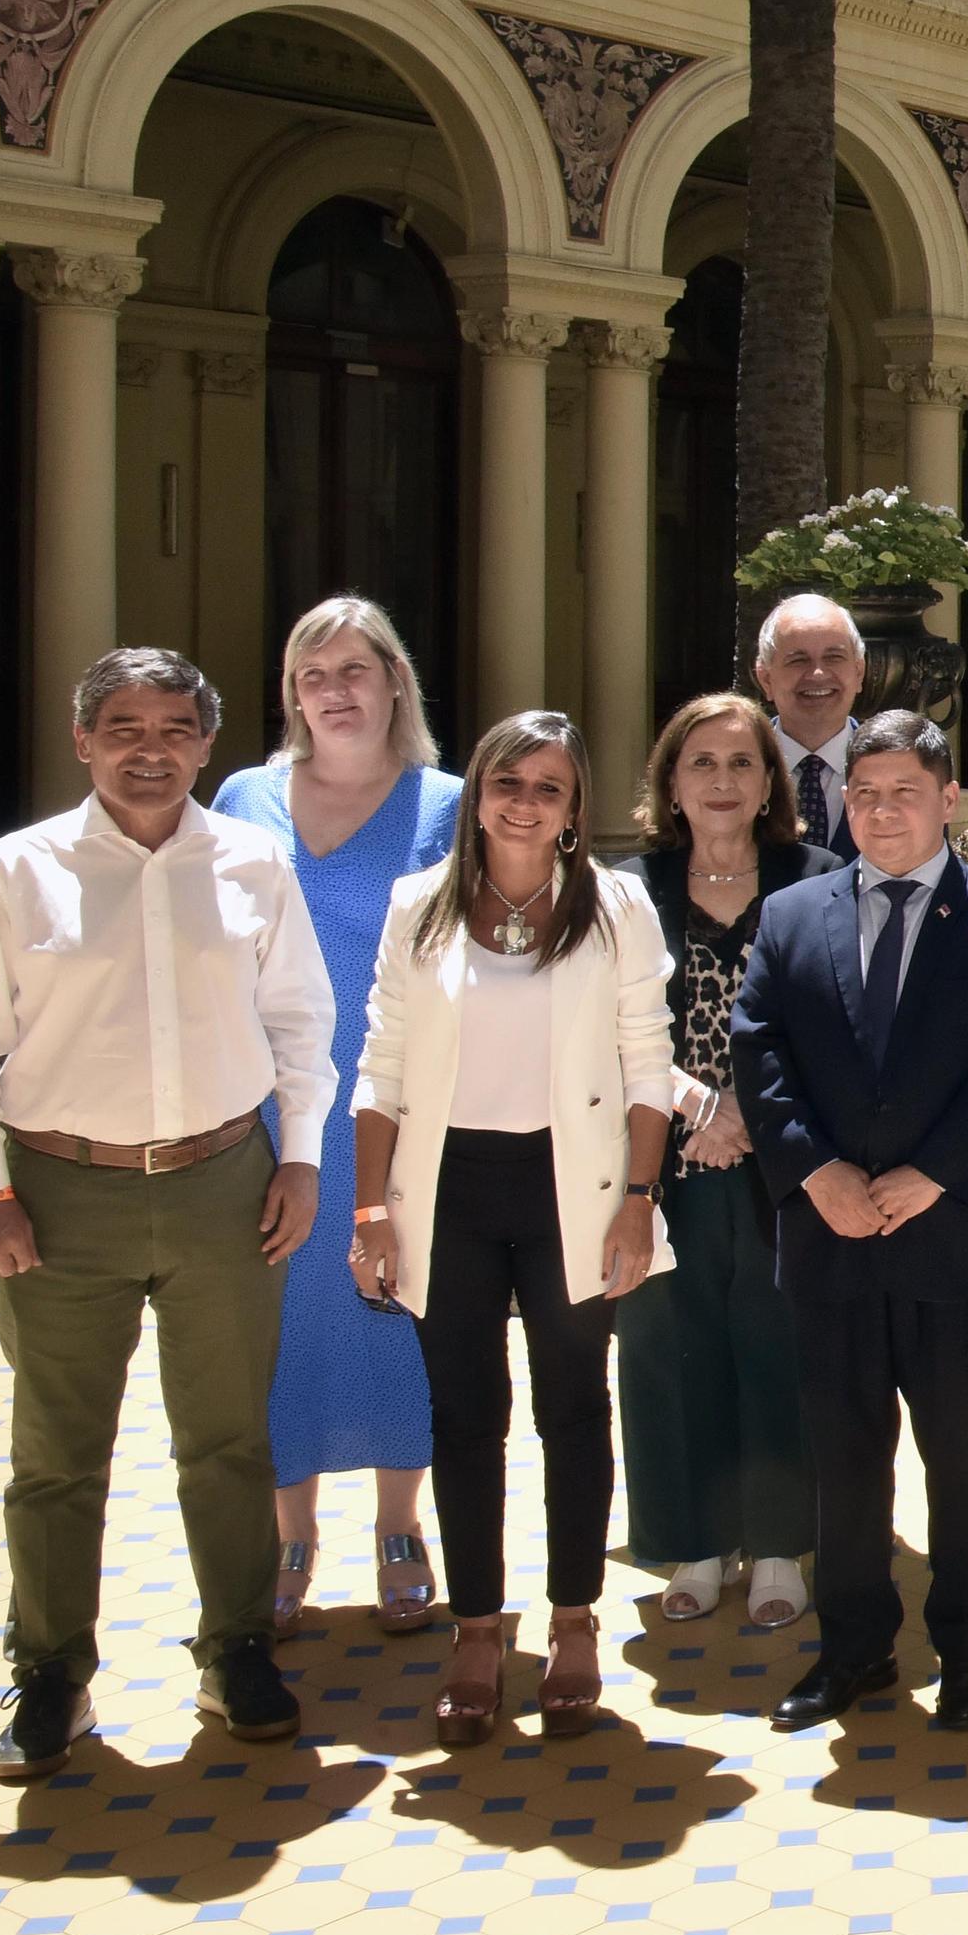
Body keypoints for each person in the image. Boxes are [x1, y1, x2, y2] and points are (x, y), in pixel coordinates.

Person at [0, 648, 336, 1783]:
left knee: (228, 1439)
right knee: (56, 1453)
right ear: (83, 741)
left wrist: (300, 1161)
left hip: (223, 1186)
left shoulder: (252, 862)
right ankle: (53, 1668)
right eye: (123, 728)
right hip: (60, 1197)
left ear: (205, 745)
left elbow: (301, 1022)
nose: (149, 750)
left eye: (173, 729)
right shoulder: (16, 871)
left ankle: (235, 1646)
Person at [344, 710, 676, 1746]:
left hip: (572, 1189)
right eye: (508, 782)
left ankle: (574, 1619)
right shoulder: (418, 905)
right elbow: (382, 1066)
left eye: (549, 787)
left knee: (573, 1407)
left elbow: (648, 1061)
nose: (525, 803)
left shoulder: (615, 906)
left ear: (574, 808)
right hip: (448, 1193)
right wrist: (369, 1211)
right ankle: (478, 1629)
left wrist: (638, 1198)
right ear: (478, 792)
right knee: (464, 1415)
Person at [736, 711, 968, 1736]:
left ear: (949, 799)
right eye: (865, 791)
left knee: (959, 1455)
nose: (882, 811)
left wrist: (932, 1175)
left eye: (905, 792)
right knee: (844, 1456)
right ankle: (853, 1648)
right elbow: (759, 1049)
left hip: (954, 1238)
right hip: (830, 1234)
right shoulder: (791, 914)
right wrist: (815, 1170)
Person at [213, 597, 463, 1635]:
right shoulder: (243, 796)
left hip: (397, 1103)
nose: (334, 690)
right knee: (277, 1320)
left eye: (354, 668)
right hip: (267, 1108)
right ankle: (291, 1530)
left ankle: (401, 1524)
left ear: (394, 679)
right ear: (291, 693)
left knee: (397, 1305)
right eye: (311, 674)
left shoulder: (447, 804)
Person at [614, 693, 837, 1631]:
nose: (721, 780)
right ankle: (696, 1540)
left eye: (743, 762)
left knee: (782, 1345)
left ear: (770, 782)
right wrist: (700, 1106)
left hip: (788, 1165)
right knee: (671, 1348)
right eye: (701, 762)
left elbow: (834, 1022)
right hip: (660, 1162)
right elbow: (606, 1021)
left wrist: (750, 1114)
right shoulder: (627, 889)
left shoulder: (818, 879)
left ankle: (780, 1542)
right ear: (670, 781)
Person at [756, 594, 867, 858]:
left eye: (834, 657)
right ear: (766, 678)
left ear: (859, 672)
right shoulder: (738, 767)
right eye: (798, 660)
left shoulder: (899, 766)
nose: (818, 673)